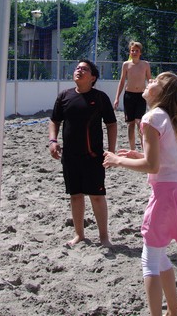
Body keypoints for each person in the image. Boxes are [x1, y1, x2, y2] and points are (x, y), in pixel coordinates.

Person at [103, 72, 177, 316]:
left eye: (156, 81)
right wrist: (138, 156)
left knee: (149, 260)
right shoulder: (168, 117)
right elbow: (164, 159)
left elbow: (152, 166)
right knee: (160, 256)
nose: (149, 82)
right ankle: (175, 311)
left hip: (166, 194)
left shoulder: (152, 117)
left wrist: (117, 160)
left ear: (163, 93)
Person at [49, 59, 118, 247]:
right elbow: (55, 120)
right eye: (78, 68)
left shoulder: (100, 98)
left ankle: (104, 237)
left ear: (93, 77)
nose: (79, 71)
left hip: (93, 156)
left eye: (84, 69)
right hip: (70, 156)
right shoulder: (64, 96)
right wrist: (53, 141)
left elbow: (111, 124)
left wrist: (111, 151)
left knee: (97, 196)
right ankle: (79, 235)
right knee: (75, 195)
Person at [113, 41, 152, 152]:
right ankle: (132, 150)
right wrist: (117, 98)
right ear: (130, 52)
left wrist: (152, 94)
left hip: (141, 96)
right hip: (129, 96)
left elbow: (149, 80)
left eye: (136, 51)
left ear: (140, 52)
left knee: (139, 122)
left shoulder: (145, 64)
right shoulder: (126, 65)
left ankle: (144, 149)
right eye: (132, 50)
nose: (134, 52)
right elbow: (122, 81)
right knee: (130, 124)